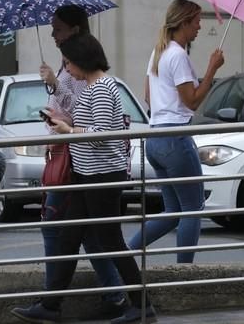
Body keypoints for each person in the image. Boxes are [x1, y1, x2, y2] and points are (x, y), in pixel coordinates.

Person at [11, 33, 157, 324]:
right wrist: (64, 122)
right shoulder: (94, 87)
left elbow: (102, 134)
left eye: (68, 63)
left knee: (109, 240)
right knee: (70, 237)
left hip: (101, 176)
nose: (67, 69)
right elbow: (86, 120)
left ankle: (141, 306)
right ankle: (51, 306)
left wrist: (68, 131)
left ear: (81, 60)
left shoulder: (102, 88)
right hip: (88, 174)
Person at [128, 0, 224, 264]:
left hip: (155, 137)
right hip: (174, 138)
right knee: (192, 209)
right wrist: (211, 70)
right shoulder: (178, 55)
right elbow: (191, 101)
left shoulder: (158, 52)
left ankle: (126, 252)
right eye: (196, 22)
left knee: (173, 211)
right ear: (183, 23)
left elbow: (148, 95)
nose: (199, 28)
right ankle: (184, 274)